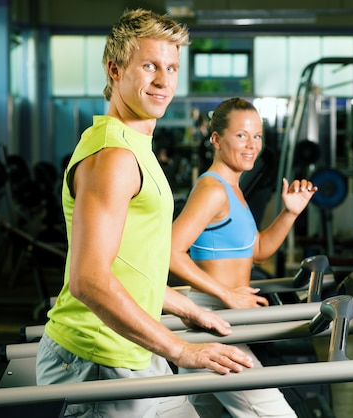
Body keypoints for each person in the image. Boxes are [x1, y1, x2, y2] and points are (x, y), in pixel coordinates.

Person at [35, 9, 253, 417]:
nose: (163, 80)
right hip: (97, 356)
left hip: (134, 345)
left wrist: (192, 310)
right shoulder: (114, 156)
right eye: (149, 65)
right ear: (114, 70)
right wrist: (181, 349)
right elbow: (89, 280)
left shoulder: (134, 146)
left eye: (171, 67)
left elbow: (132, 271)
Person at [169, 97, 318, 417]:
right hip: (212, 323)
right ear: (216, 140)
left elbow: (259, 251)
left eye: (257, 136)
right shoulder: (213, 190)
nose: (252, 145)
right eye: (241, 135)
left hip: (227, 319)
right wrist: (227, 295)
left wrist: (289, 213)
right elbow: (169, 251)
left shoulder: (234, 189)